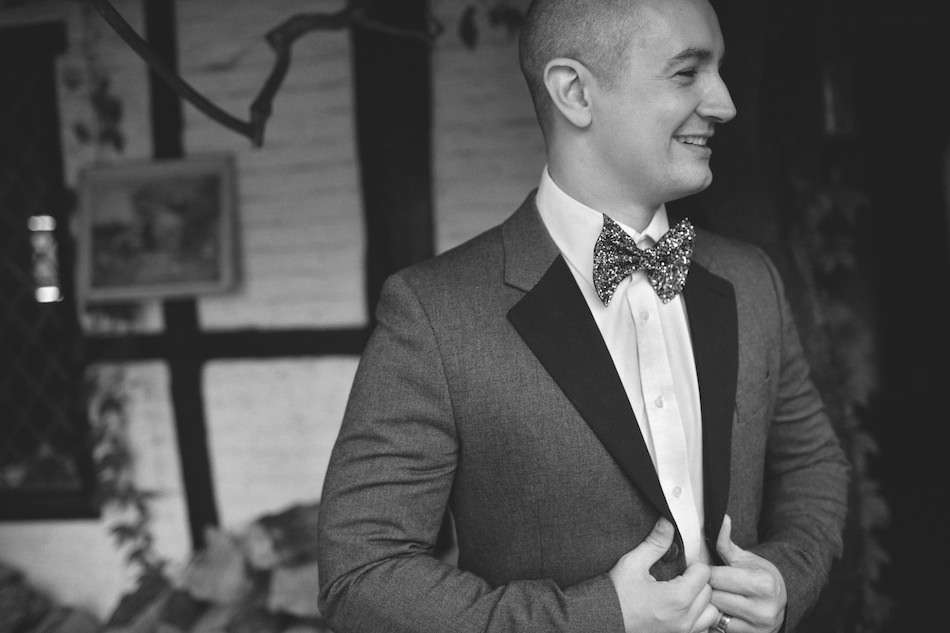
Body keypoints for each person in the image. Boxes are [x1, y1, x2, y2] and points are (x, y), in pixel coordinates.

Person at [316, 0, 850, 631]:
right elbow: (362, 575)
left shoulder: (750, 279)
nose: (724, 103)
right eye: (687, 73)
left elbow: (814, 467)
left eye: (719, 71)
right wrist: (598, 619)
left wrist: (787, 577)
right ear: (574, 92)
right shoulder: (434, 313)